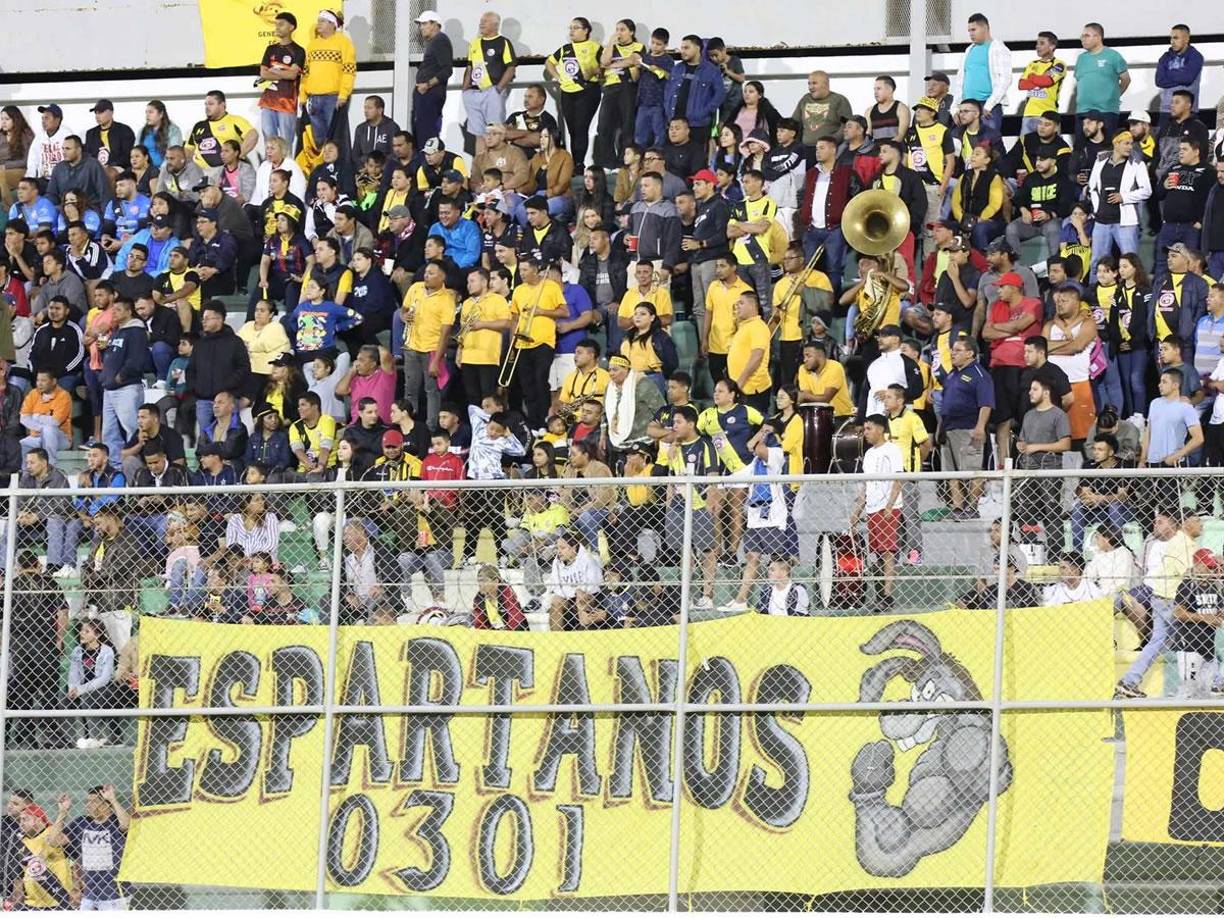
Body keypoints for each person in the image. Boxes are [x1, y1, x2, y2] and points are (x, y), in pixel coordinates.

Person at [1116, 509, 1200, 698]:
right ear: (1185, 523)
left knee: (1161, 641)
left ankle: (1129, 681)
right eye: (1196, 520)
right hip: (1171, 600)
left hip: (1162, 596)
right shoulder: (1185, 545)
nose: (1200, 524)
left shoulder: (1180, 541)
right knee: (1192, 640)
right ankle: (1208, 684)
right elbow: (1188, 574)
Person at [850, 414, 904, 606]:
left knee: (888, 551)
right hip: (873, 508)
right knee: (878, 553)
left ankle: (887, 595)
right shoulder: (869, 454)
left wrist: (889, 506)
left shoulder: (892, 450)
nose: (865, 433)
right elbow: (867, 485)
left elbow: (899, 479)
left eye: (868, 429)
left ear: (880, 429)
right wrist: (857, 512)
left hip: (887, 508)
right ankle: (881, 592)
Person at [939, 337, 994, 517]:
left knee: (973, 469)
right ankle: (957, 507)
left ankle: (972, 506)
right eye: (952, 350)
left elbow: (986, 403)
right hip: (949, 427)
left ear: (970, 353)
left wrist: (980, 426)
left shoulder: (980, 374)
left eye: (958, 350)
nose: (953, 353)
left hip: (969, 427)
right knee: (950, 470)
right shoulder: (951, 374)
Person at [544, 18, 602, 172]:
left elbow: (604, 67)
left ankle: (579, 164)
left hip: (587, 91)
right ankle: (574, 162)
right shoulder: (565, 49)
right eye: (570, 28)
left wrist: (594, 71)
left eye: (576, 28)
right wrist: (557, 77)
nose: (572, 31)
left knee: (581, 127)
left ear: (586, 30)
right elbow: (549, 63)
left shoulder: (595, 47)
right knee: (572, 130)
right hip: (567, 93)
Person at [57, 786, 129, 910]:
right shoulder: (82, 823)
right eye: (87, 801)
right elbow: (54, 840)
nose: (88, 805)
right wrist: (63, 812)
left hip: (114, 893)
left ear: (106, 805)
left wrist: (113, 799)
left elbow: (127, 825)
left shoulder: (115, 821)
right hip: (89, 893)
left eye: (93, 801)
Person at [300, 9, 356, 145]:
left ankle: (336, 166)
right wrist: (303, 96)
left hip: (333, 97)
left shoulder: (344, 42)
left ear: (332, 24)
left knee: (335, 137)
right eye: (318, 21)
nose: (318, 24)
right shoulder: (312, 45)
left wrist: (343, 94)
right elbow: (305, 73)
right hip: (313, 98)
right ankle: (321, 165)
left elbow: (349, 70)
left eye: (323, 21)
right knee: (318, 139)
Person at [256, 10, 305, 152]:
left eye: (281, 24)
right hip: (268, 101)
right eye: (276, 24)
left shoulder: (298, 51)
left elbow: (292, 75)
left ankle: (286, 172)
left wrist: (274, 72)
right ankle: (271, 172)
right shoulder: (270, 49)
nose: (277, 27)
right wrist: (283, 72)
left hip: (287, 102)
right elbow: (263, 73)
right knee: (269, 140)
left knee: (285, 142)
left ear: (291, 27)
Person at [11, 801, 74, 908]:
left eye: (25, 819)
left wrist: (62, 812)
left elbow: (51, 844)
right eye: (20, 820)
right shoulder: (22, 841)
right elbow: (20, 875)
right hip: (31, 903)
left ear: (38, 819)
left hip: (56, 900)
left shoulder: (51, 832)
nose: (21, 823)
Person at [956, 13, 1011, 133]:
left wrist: (989, 105)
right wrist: (956, 106)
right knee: (963, 143)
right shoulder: (969, 50)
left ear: (985, 28)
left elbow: (1005, 79)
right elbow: (960, 80)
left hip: (987, 105)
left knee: (988, 144)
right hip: (967, 105)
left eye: (973, 29)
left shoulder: (999, 49)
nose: (971, 33)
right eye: (969, 30)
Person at [663, 33, 726, 137]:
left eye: (686, 48)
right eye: (682, 48)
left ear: (698, 48)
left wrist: (704, 112)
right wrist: (667, 109)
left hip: (698, 125)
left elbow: (720, 94)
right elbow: (667, 91)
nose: (683, 51)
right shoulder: (676, 68)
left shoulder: (711, 70)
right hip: (674, 124)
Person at [1073, 23, 1130, 138]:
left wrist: (1113, 97)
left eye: (1086, 35)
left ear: (1098, 37)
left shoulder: (1113, 56)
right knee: (1080, 150)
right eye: (1082, 35)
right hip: (1083, 111)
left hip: (1106, 111)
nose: (1082, 38)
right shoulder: (1081, 58)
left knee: (1105, 149)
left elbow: (1126, 80)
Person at [185, 90, 257, 175]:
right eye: (206, 104)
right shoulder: (198, 126)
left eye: (211, 104)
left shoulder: (235, 121)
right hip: (199, 172)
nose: (207, 107)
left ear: (222, 105)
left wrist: (237, 157)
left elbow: (253, 135)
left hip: (225, 171)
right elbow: (188, 149)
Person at [1017, 32, 1067, 135]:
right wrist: (1040, 80)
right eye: (1037, 43)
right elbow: (1022, 85)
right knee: (1026, 149)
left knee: (1050, 149)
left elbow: (1048, 81)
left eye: (1042, 43)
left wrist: (1032, 77)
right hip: (1029, 114)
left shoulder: (1059, 64)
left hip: (1049, 115)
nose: (1037, 46)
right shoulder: (1032, 64)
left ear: (1052, 46)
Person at [791, 70, 853, 149]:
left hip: (831, 149)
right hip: (805, 149)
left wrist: (831, 141)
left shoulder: (839, 100)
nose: (810, 87)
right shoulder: (805, 99)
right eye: (809, 83)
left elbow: (846, 125)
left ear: (826, 84)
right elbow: (793, 123)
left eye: (814, 83)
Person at [1156, 25, 1204, 117]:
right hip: (1166, 110)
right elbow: (1159, 80)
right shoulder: (1165, 57)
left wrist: (1168, 73)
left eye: (1176, 38)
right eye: (1171, 38)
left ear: (1186, 39)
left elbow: (1188, 78)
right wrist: (1180, 75)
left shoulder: (1195, 57)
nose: (1172, 42)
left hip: (1188, 110)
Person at [471, 564, 527, 630]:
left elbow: (516, 619)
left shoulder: (506, 593)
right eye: (479, 581)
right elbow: (479, 624)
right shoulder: (479, 598)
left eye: (484, 581)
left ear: (496, 581)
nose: (480, 584)